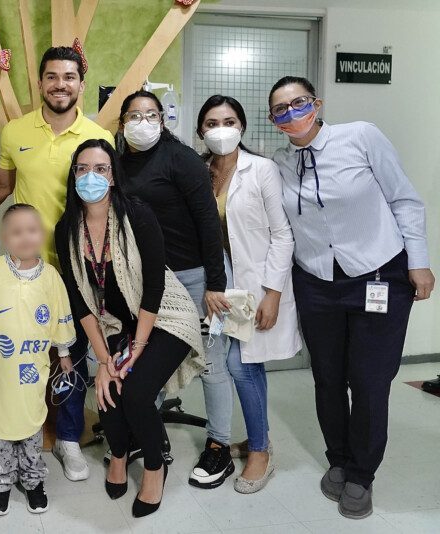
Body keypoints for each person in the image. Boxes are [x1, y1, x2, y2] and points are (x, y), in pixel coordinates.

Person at [269, 76, 434, 519]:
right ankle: (339, 459)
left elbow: (404, 200)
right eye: (280, 109)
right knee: (327, 378)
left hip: (379, 273)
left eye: (298, 103)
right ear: (274, 121)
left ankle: (361, 474)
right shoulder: (280, 164)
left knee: (369, 380)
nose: (291, 113)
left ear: (316, 103)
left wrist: (418, 261)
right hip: (316, 283)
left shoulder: (361, 136)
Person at [56, 139, 205, 518]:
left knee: (137, 393)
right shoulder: (66, 227)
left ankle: (155, 465)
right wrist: (105, 360)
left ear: (114, 176)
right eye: (83, 169)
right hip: (113, 324)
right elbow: (78, 299)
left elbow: (154, 285)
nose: (92, 176)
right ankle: (119, 454)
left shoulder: (137, 214)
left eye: (101, 169)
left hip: (164, 318)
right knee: (107, 388)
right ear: (74, 175)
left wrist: (136, 348)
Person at [0, 46, 113, 482]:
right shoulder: (14, 132)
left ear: (81, 83)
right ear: (40, 83)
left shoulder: (98, 137)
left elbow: (108, 204)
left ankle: (67, 438)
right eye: (51, 76)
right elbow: (0, 188)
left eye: (68, 76)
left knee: (72, 357)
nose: (60, 84)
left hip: (77, 270)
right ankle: (20, 438)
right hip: (24, 267)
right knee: (22, 355)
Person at [116, 91, 232, 487]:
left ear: (163, 120)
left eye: (151, 114)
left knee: (213, 365)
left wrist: (215, 284)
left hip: (197, 278)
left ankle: (219, 446)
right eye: (135, 114)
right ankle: (152, 436)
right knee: (154, 364)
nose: (143, 121)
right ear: (122, 122)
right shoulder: (118, 165)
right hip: (151, 283)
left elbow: (208, 224)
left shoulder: (181, 160)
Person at [194, 95, 301, 493]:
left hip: (254, 286)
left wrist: (272, 293)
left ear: (241, 126)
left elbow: (282, 234)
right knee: (220, 365)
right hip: (219, 289)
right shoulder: (200, 172)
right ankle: (255, 438)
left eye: (229, 120)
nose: (220, 128)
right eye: (211, 122)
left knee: (243, 366)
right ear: (200, 131)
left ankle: (260, 451)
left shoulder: (262, 170)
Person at [0, 204, 76, 516]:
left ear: (41, 234)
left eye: (32, 230)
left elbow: (60, 316)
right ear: (4, 237)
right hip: (1, 370)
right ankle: (0, 482)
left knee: (31, 424)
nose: (25, 238)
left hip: (34, 368)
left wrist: (64, 353)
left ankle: (33, 480)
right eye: (16, 232)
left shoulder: (51, 277)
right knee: (0, 425)